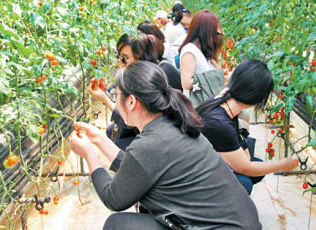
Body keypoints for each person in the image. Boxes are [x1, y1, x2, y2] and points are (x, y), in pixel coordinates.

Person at [70, 61, 262, 229]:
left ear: (131, 102)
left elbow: (113, 198)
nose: (114, 98)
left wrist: (89, 155)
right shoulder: (173, 123)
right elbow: (136, 168)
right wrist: (98, 139)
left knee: (117, 225)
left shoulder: (150, 143)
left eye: (116, 93)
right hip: (243, 222)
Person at [197, 59, 299, 194]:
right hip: (198, 177)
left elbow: (246, 157)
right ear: (257, 98)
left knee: (257, 166)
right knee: (245, 181)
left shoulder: (223, 100)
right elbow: (245, 167)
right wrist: (282, 165)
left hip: (206, 160)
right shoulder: (219, 123)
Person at [89, 33, 181, 150]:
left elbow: (132, 120)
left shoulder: (153, 79)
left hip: (163, 142)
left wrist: (104, 98)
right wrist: (105, 93)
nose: (120, 62)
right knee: (112, 131)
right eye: (119, 57)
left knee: (118, 144)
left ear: (140, 58)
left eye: (124, 58)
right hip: (155, 132)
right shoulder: (144, 73)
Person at [179, 10, 223, 94]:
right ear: (207, 32)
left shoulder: (203, 52)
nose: (218, 37)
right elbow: (186, 83)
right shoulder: (190, 51)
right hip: (197, 104)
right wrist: (217, 77)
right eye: (216, 33)